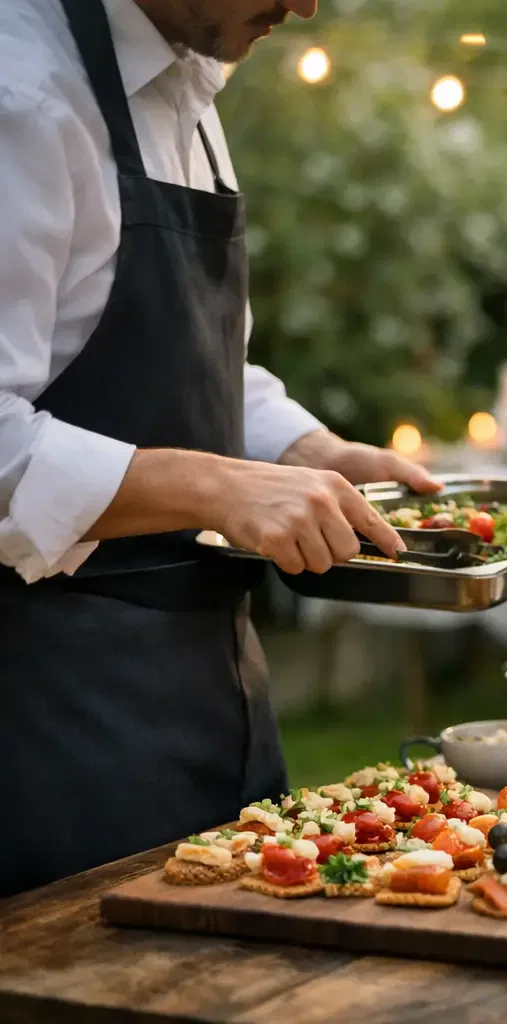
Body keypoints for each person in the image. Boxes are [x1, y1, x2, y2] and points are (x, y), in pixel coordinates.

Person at [0, 0, 436, 897]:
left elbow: (196, 359)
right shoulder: (22, 91)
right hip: (49, 715)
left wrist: (308, 450)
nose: (307, 4)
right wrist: (210, 485)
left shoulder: (187, 78)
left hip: (215, 685)